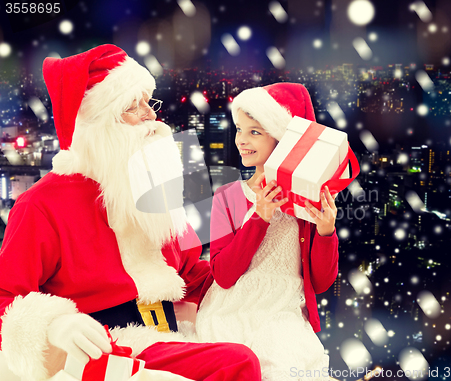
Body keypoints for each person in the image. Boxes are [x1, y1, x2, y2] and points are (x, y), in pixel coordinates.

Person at [0, 44, 260, 381]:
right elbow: (6, 297)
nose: (151, 116)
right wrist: (55, 324)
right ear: (97, 123)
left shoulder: (152, 188)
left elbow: (191, 272)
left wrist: (258, 270)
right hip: (111, 346)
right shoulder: (41, 204)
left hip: (173, 333)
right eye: (131, 107)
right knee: (236, 362)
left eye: (147, 103)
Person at [196, 83, 339, 380]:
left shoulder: (307, 205)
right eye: (239, 129)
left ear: (283, 140)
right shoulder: (227, 196)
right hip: (231, 312)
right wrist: (259, 217)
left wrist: (326, 233)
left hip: (285, 316)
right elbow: (223, 274)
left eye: (255, 132)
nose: (241, 141)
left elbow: (321, 282)